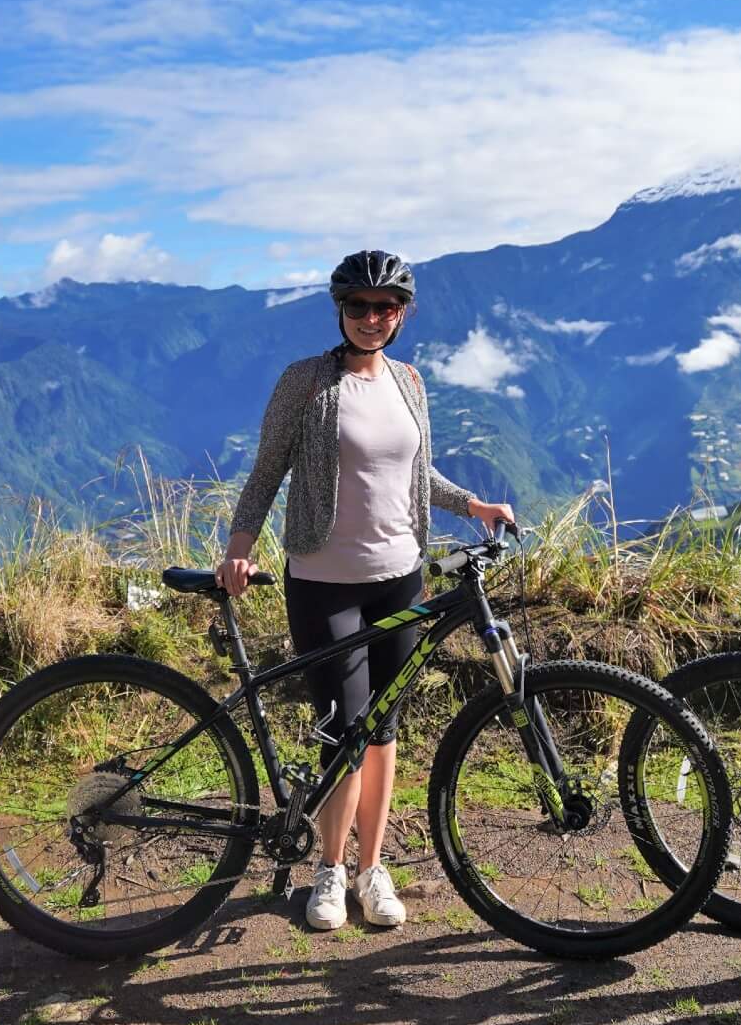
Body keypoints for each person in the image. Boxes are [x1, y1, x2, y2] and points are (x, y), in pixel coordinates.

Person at [216, 250, 516, 933]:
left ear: (402, 314)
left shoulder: (409, 381)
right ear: (340, 312)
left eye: (386, 308)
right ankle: (328, 870)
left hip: (400, 575)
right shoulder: (305, 382)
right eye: (359, 307)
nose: (373, 318)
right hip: (325, 580)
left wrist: (475, 506)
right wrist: (239, 548)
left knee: (382, 729)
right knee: (342, 730)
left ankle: (371, 868)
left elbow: (418, 473)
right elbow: (267, 471)